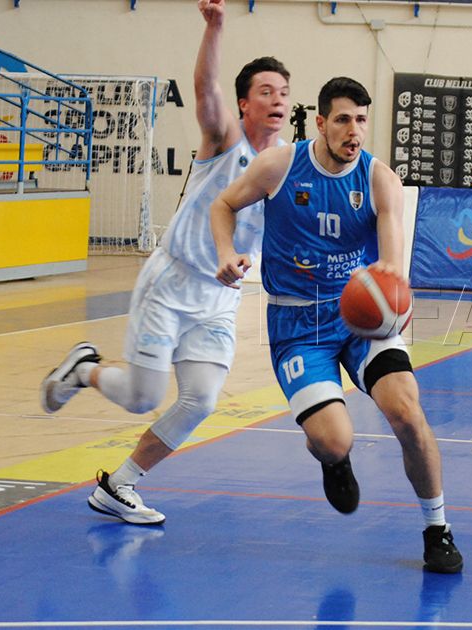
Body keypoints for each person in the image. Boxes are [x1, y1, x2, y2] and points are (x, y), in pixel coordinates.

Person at [38, 0, 290, 525]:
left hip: (219, 299)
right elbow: (204, 90)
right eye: (266, 91)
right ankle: (83, 370)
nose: (277, 100)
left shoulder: (286, 163)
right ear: (244, 103)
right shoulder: (226, 139)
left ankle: (120, 485)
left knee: (200, 400)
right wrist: (215, 27)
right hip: (172, 283)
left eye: (284, 93)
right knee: (141, 396)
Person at [209, 77, 464, 574]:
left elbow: (392, 266)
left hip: (361, 320)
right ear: (321, 122)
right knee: (333, 439)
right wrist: (226, 252)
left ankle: (438, 528)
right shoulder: (278, 167)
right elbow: (223, 205)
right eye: (344, 120)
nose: (355, 131)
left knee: (408, 412)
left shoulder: (378, 179)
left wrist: (391, 297)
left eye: (363, 120)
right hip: (297, 322)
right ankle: (333, 458)